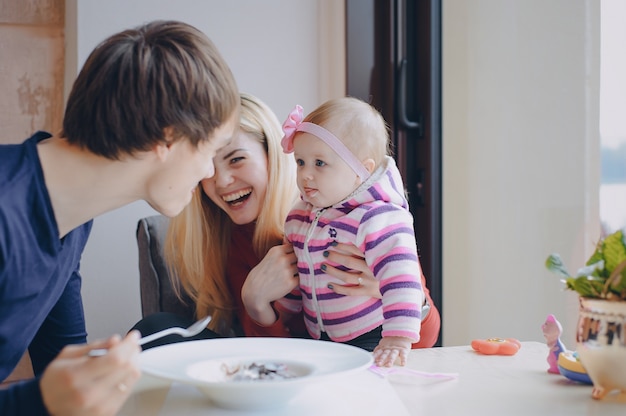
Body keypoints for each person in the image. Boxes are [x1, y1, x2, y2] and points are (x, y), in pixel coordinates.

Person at [0, 20, 239, 415]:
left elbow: (62, 361)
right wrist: (40, 400)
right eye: (210, 151)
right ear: (168, 137)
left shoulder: (71, 217)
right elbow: (48, 396)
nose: (209, 174)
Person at [134, 93, 440, 352]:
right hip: (285, 360)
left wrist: (393, 293)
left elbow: (428, 339)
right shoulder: (225, 235)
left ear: (273, 157)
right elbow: (269, 355)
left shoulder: (357, 215)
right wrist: (256, 305)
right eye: (208, 168)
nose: (222, 180)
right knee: (156, 328)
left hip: (357, 351)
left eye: (236, 159)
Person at [276, 97, 425, 367]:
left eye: (319, 163)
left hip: (371, 334)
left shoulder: (377, 217)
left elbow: (402, 278)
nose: (306, 174)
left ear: (362, 171)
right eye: (300, 162)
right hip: (318, 336)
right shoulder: (298, 217)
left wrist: (397, 338)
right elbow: (294, 279)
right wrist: (285, 314)